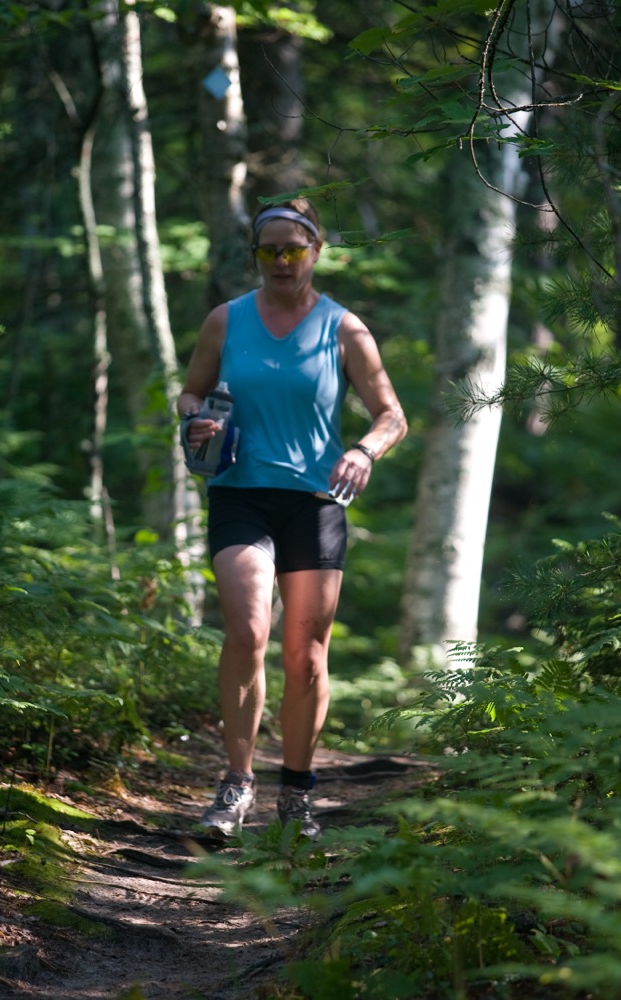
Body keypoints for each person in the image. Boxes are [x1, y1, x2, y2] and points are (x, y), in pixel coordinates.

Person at [178, 198, 408, 839]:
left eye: (293, 249)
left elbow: (392, 413)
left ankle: (297, 792)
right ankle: (236, 784)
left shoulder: (344, 328)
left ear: (316, 251)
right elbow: (190, 388)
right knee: (249, 629)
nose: (281, 261)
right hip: (240, 493)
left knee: (305, 657)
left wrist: (365, 450)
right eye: (269, 250)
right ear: (255, 255)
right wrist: (193, 416)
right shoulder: (226, 321)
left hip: (316, 501)